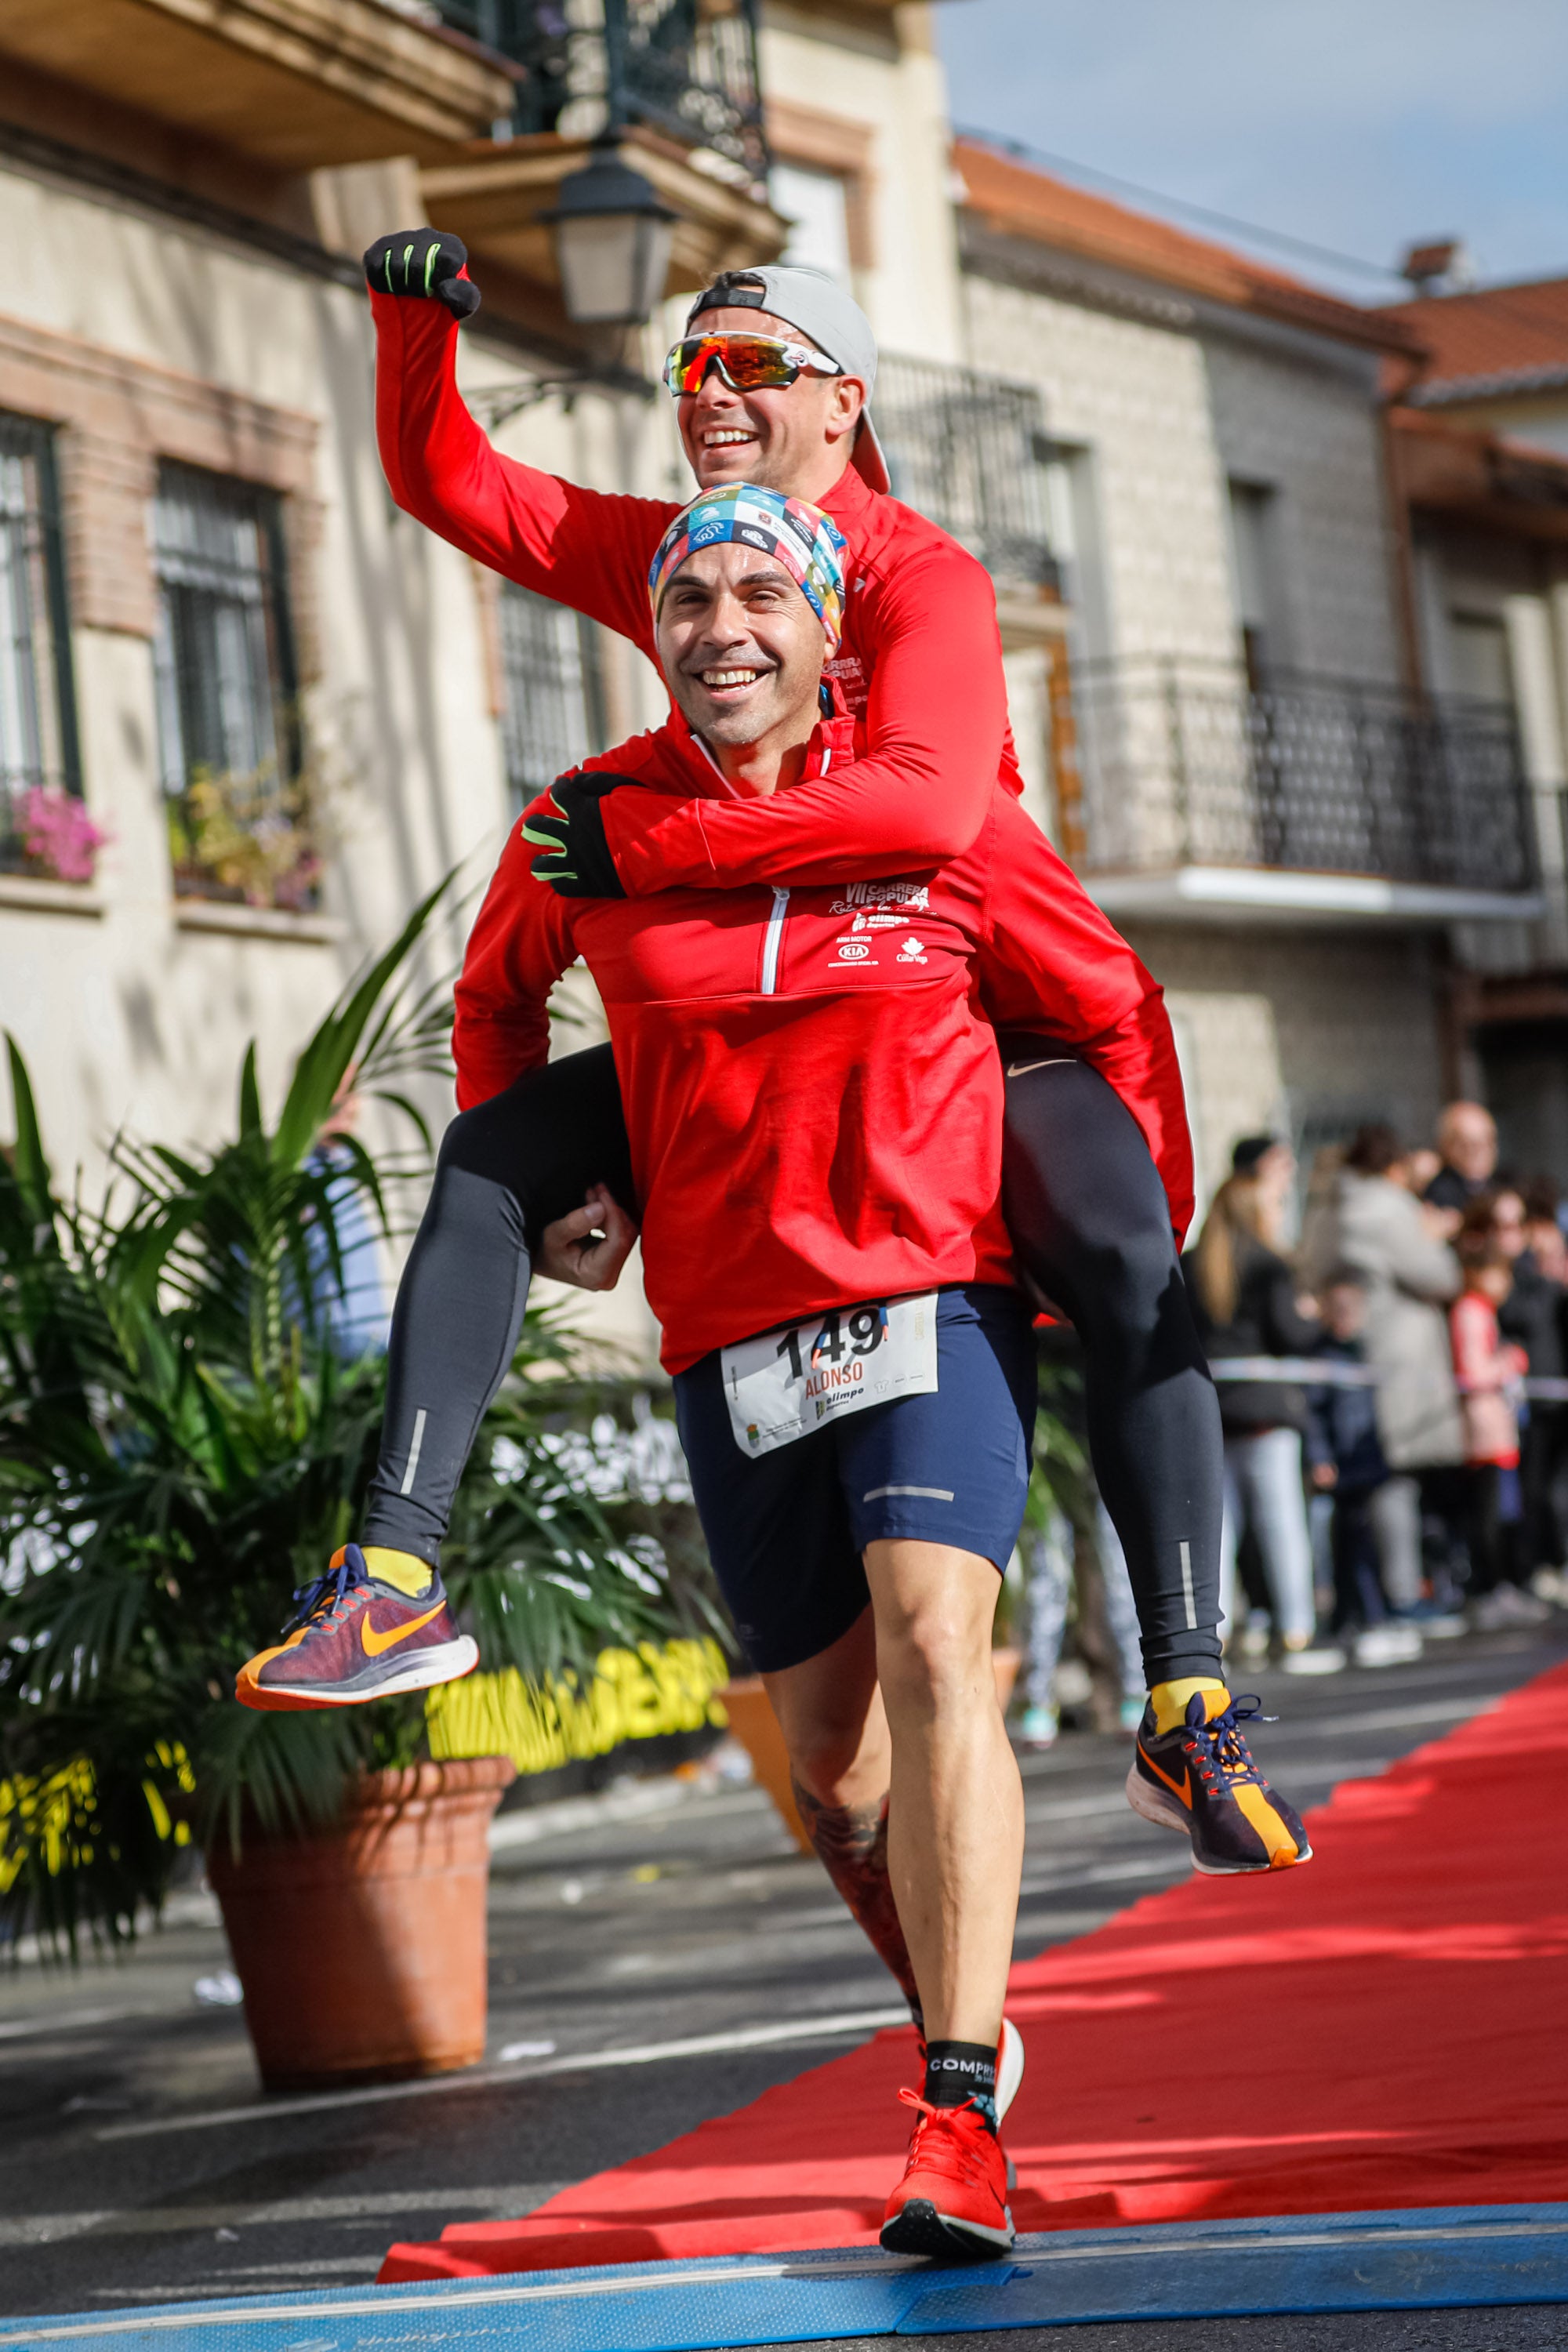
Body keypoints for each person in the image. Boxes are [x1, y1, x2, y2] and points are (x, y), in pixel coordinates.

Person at [243, 490, 1311, 2257]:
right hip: (730, 1325)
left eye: (761, 592)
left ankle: (956, 2115)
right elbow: (495, 1011)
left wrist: (1124, 1238)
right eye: (688, 594)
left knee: (938, 1646)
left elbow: (1112, 1003)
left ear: (827, 632)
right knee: (834, 1772)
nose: (721, 623)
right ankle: (957, 2013)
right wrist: (574, 1201)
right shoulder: (588, 818)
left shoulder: (935, 818)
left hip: (930, 1285)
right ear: (652, 631)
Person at [301, 233, 1228, 1722]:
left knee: (1134, 1264)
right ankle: (393, 1577)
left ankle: (1189, 1693)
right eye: (690, 366)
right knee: (487, 1158)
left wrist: (655, 846)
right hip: (744, 1011)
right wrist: (414, 331)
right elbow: (454, 486)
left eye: (751, 365)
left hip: (944, 1012)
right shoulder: (692, 552)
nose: (708, 393)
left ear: (845, 399)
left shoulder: (918, 573)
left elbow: (928, 808)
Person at [1184, 1167, 1341, 1672]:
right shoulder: (1269, 1265)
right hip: (1265, 1416)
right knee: (1282, 1529)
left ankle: (1215, 1639)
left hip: (1211, 1412)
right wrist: (1316, 1317)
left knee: (1218, 1534)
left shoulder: (1191, 1265)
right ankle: (1296, 1631)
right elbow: (1291, 1336)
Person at [1330, 1124, 1466, 1617]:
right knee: (1395, 1478)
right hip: (1403, 1357)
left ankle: (1387, 1595)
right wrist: (1437, 1238)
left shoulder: (1341, 1206)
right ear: (1394, 1166)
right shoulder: (1390, 1209)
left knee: (1379, 1479)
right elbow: (1438, 1275)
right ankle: (1404, 1594)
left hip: (1370, 1352)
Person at [1304, 1269, 1422, 1666]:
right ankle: (1354, 1620)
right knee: (1346, 1546)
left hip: (1371, 1462)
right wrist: (1320, 1457)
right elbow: (1315, 1415)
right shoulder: (1322, 1357)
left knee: (1373, 1542)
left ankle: (1375, 1617)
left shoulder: (1369, 1351)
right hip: (1342, 1468)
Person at [1450, 1229, 1534, 1630]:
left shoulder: (1480, 1309)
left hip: (1494, 1426)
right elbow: (1472, 1372)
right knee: (1489, 1514)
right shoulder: (1470, 1310)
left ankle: (1500, 1586)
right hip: (1484, 1427)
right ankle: (1491, 1589)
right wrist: (1508, 1362)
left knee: (1500, 1511)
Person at [1425, 1102, 1499, 1228]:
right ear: (1447, 1147)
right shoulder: (1441, 1194)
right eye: (1469, 1145)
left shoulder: (1499, 1188)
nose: (1480, 1152)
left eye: (1488, 1142)